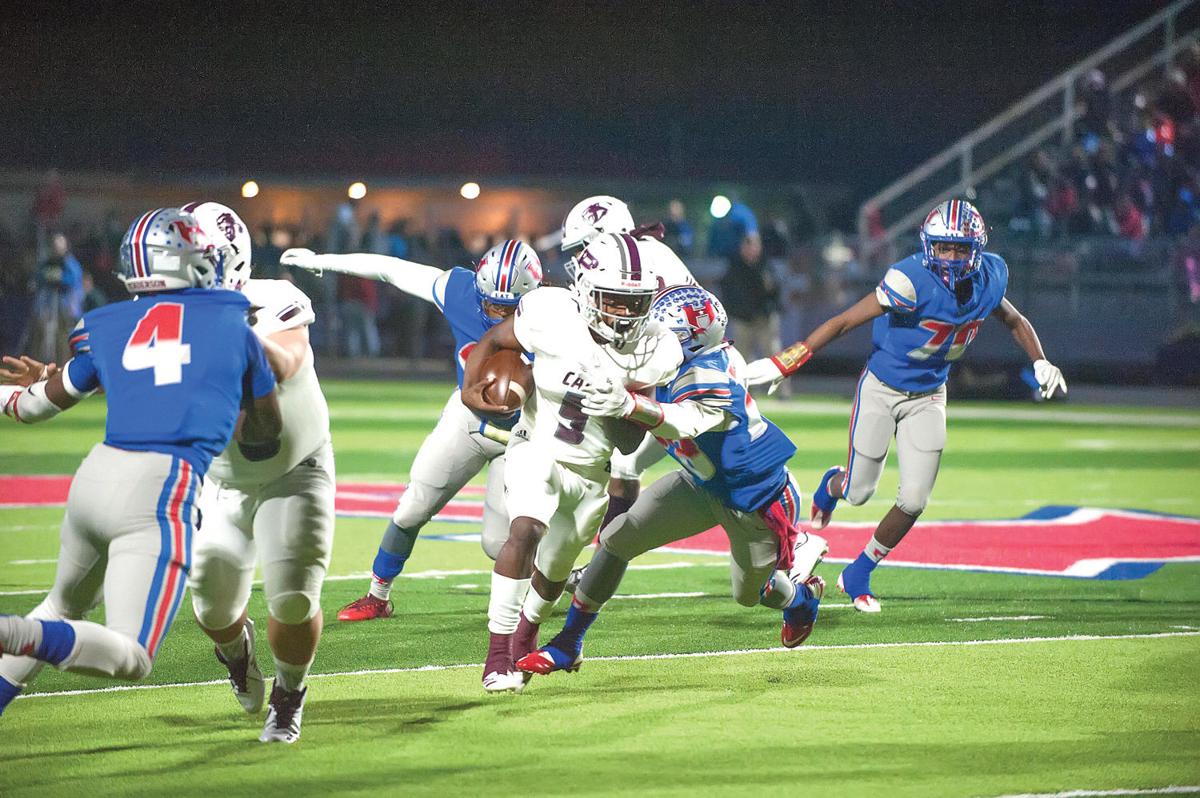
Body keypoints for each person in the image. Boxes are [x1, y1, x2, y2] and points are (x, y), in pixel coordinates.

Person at [0, 207, 281, 715]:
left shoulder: (105, 323)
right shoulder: (232, 322)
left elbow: (34, 405)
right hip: (162, 487)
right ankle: (10, 630)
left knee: (61, 606)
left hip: (95, 476)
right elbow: (267, 432)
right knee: (132, 656)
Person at [743, 200, 1067, 612]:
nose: (951, 258)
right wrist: (786, 361)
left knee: (914, 500)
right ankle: (832, 486)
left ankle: (859, 572)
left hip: (930, 394)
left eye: (960, 249)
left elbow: (1015, 320)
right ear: (929, 246)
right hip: (882, 388)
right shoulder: (909, 279)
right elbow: (844, 321)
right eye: (943, 249)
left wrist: (1039, 359)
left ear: (977, 249)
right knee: (859, 492)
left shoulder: (990, 277)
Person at [517, 286, 825, 677]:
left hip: (754, 501)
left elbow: (684, 421)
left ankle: (801, 599)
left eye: (665, 333)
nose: (648, 337)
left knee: (753, 594)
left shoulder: (706, 376)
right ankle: (568, 642)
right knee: (618, 540)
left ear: (691, 341)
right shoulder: (667, 360)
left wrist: (630, 404)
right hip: (700, 483)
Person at [461, 232, 682, 692]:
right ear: (584, 291)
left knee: (555, 570)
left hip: (590, 472)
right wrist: (470, 387)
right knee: (525, 529)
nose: (624, 313)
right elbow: (496, 339)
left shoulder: (655, 348)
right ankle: (497, 655)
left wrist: (622, 404)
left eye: (633, 302)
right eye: (612, 300)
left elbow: (626, 443)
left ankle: (526, 634)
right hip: (535, 445)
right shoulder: (551, 313)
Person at [280, 239, 542, 621]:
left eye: (509, 307)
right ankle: (377, 596)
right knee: (410, 508)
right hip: (467, 419)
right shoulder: (460, 291)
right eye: (491, 304)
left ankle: (551, 581)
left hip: (524, 434)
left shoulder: (553, 316)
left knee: (497, 543)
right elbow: (390, 269)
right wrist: (324, 259)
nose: (498, 314)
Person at [182, 201, 335, 744]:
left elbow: (283, 360)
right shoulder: (165, 316)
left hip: (294, 468)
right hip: (219, 478)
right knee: (210, 603)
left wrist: (219, 331)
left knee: (293, 596)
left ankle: (289, 694)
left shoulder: (274, 298)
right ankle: (236, 651)